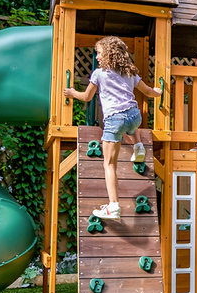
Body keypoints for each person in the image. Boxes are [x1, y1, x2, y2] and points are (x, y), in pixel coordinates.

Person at [64, 36, 161, 219]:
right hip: (134, 116)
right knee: (130, 126)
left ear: (109, 53)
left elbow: (86, 97)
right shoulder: (130, 73)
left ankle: (114, 207)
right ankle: (138, 146)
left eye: (99, 53)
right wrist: (159, 91)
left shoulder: (99, 74)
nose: (97, 57)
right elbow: (148, 92)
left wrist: (71, 93)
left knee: (109, 164)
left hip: (115, 120)